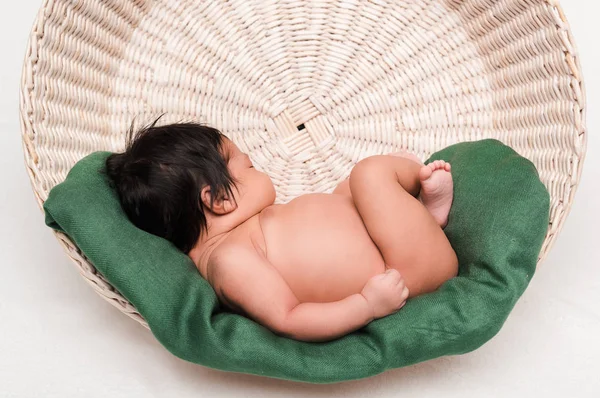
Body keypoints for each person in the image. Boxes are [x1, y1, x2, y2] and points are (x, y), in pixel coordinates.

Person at [106, 119, 458, 342]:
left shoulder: (242, 233)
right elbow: (289, 318)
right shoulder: (230, 261)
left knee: (350, 188)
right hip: (407, 271)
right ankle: (416, 194)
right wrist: (366, 305)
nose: (258, 168)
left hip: (393, 245)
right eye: (250, 165)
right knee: (369, 174)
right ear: (220, 199)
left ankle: (416, 208)